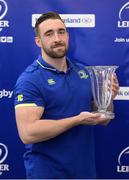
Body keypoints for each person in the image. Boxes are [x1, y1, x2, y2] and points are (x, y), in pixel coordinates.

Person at [14, 12, 119, 179]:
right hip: (48, 174)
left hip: (84, 172)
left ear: (68, 36)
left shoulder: (83, 72)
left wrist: (108, 98)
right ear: (38, 41)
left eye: (61, 31)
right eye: (49, 34)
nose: (57, 38)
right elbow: (28, 133)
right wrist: (76, 120)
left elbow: (103, 119)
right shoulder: (30, 79)